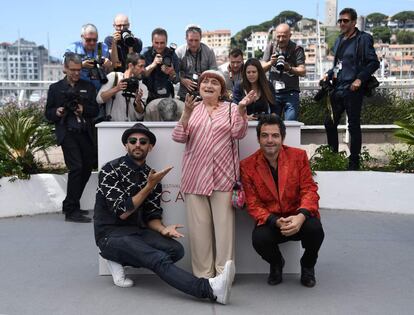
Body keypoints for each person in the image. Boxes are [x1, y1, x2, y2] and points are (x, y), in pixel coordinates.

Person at [93, 123, 235, 304]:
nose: (138, 144)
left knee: (175, 250)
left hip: (136, 233)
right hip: (110, 235)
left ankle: (117, 258)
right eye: (133, 141)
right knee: (157, 258)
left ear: (150, 147)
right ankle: (209, 289)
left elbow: (151, 216)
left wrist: (163, 229)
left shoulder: (152, 177)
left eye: (143, 142)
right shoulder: (110, 170)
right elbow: (123, 212)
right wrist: (148, 186)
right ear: (126, 145)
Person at [172, 70, 255, 278]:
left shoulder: (231, 109)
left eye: (214, 83)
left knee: (225, 233)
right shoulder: (192, 108)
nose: (208, 85)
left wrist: (242, 109)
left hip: (224, 178)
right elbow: (179, 137)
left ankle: (224, 276)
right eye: (205, 82)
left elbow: (239, 133)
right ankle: (203, 277)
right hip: (195, 178)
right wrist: (185, 115)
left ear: (222, 90)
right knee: (199, 234)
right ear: (199, 87)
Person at [240, 115, 324, 287]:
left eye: (275, 135)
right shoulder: (247, 165)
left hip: (298, 218)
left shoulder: (298, 157)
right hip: (272, 222)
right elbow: (253, 203)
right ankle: (277, 263)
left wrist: (301, 216)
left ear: (282, 138)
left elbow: (309, 189)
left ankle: (308, 265)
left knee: (315, 229)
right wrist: (274, 221)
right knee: (259, 238)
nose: (270, 140)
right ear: (258, 138)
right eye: (265, 135)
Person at [45, 53, 99, 223]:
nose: (76, 73)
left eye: (79, 70)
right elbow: (48, 113)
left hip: (84, 131)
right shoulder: (55, 88)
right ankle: (71, 211)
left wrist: (83, 109)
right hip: (66, 131)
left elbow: (95, 110)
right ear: (65, 69)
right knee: (76, 167)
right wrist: (57, 111)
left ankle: (70, 204)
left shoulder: (88, 86)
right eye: (73, 70)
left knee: (86, 169)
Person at [324, 8, 380, 170]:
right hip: (338, 87)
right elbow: (338, 64)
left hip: (354, 89)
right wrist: (328, 75)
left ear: (354, 22)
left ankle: (354, 162)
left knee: (353, 125)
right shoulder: (339, 40)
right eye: (340, 21)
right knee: (329, 122)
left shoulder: (363, 39)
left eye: (345, 21)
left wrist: (359, 79)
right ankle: (332, 158)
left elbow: (373, 62)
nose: (342, 23)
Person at [262, 23, 306, 121]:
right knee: (272, 124)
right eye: (278, 36)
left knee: (290, 125)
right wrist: (271, 63)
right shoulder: (271, 47)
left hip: (291, 93)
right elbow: (261, 68)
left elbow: (303, 71)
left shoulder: (297, 49)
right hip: (273, 93)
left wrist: (289, 68)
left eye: (284, 36)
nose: (281, 39)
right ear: (275, 35)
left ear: (290, 35)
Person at [142, 28, 182, 121]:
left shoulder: (172, 54)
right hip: (148, 96)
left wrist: (171, 73)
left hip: (167, 97)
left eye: (162, 43)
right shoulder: (145, 52)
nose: (159, 46)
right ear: (152, 42)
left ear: (166, 42)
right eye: (156, 43)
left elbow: (176, 80)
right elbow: (141, 75)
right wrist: (153, 65)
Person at [96, 53, 148, 121]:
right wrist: (117, 88)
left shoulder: (142, 87)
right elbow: (99, 99)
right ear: (130, 65)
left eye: (144, 66)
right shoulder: (114, 77)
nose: (143, 69)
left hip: (131, 128)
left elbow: (140, 115)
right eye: (140, 66)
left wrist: (137, 101)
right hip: (112, 127)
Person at [176, 25, 217, 101]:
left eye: (196, 40)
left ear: (201, 38)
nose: (194, 44)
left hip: (205, 95)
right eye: (190, 40)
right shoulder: (179, 52)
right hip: (184, 96)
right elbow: (173, 73)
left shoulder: (209, 51)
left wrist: (205, 77)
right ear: (185, 39)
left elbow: (214, 71)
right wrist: (182, 80)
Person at [66, 23, 112, 91]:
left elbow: (110, 70)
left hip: (99, 90)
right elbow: (64, 69)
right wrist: (81, 65)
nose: (92, 43)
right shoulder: (73, 48)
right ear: (82, 37)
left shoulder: (102, 48)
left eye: (95, 40)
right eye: (88, 40)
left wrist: (108, 65)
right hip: (78, 90)